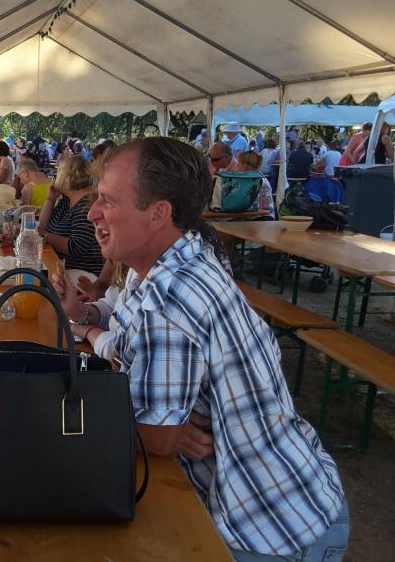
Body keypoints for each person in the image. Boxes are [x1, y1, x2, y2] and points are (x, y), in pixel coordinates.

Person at [54, 137, 348, 560]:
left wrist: (150, 426)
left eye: (108, 201)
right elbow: (129, 351)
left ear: (158, 214)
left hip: (274, 527)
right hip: (288, 491)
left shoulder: (170, 293)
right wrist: (88, 326)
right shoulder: (163, 264)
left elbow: (155, 435)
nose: (93, 212)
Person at [38, 155, 104, 276]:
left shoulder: (86, 205)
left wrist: (45, 237)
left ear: (65, 177)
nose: (55, 178)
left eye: (58, 174)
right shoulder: (67, 201)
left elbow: (75, 247)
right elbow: (41, 227)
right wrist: (50, 199)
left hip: (81, 277)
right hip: (60, 270)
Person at [236, 150, 275, 219]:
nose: (237, 165)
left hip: (261, 218)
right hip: (263, 217)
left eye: (239, 162)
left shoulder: (257, 180)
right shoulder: (259, 178)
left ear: (245, 165)